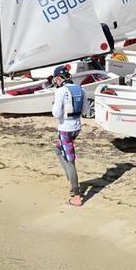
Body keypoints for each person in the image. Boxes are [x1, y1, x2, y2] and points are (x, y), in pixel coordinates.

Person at [50, 67, 88, 206]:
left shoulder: (60, 91)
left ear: (59, 79)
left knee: (69, 160)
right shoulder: (80, 89)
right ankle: (71, 181)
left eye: (55, 79)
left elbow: (56, 114)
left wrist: (54, 104)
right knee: (58, 151)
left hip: (65, 130)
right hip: (76, 128)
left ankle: (76, 195)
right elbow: (86, 110)